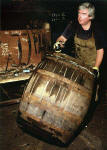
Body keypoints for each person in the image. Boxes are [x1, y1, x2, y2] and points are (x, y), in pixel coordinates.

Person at [53, 2, 106, 79]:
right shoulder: (74, 24)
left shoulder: (97, 29)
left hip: (92, 65)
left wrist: (96, 68)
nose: (79, 16)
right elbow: (62, 37)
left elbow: (100, 51)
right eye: (79, 13)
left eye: (83, 14)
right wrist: (59, 43)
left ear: (90, 16)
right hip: (78, 64)